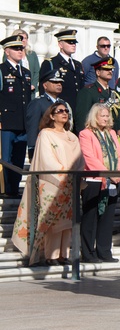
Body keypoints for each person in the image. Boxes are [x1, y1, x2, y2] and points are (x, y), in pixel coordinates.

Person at [11, 103, 85, 266]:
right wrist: (65, 173)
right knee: (53, 221)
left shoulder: (72, 136)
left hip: (71, 183)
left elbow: (80, 159)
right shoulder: (45, 134)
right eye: (60, 111)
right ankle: (51, 255)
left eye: (66, 111)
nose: (64, 113)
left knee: (67, 222)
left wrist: (76, 174)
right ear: (51, 116)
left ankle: (63, 255)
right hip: (52, 183)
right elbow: (46, 159)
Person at [78, 103, 120, 263]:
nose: (105, 119)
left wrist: (118, 173)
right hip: (94, 180)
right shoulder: (86, 134)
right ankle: (88, 253)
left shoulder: (111, 133)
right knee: (90, 217)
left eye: (107, 116)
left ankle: (104, 251)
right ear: (94, 117)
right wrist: (109, 174)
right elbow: (89, 157)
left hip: (112, 181)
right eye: (102, 116)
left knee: (107, 217)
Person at [1, 34, 32, 198]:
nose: (20, 51)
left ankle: (14, 189)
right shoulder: (1, 70)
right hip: (6, 122)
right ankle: (6, 188)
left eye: (21, 48)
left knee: (19, 158)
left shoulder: (26, 73)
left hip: (22, 122)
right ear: (7, 51)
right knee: (6, 158)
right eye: (16, 48)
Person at [27, 63, 68, 161]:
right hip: (44, 147)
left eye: (60, 82)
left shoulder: (63, 103)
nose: (58, 84)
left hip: (61, 146)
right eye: (54, 82)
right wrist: (32, 149)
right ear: (45, 85)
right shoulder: (38, 103)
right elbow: (33, 127)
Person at [42, 29, 85, 115]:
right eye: (69, 42)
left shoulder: (78, 65)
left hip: (77, 110)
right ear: (60, 44)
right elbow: (44, 89)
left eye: (74, 42)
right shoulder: (51, 63)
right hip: (60, 110)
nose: (73, 45)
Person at [74, 57, 120, 133]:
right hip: (95, 134)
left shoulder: (113, 93)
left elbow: (116, 117)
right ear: (98, 72)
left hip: (110, 135)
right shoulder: (88, 91)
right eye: (106, 69)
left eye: (111, 69)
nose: (110, 72)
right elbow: (81, 119)